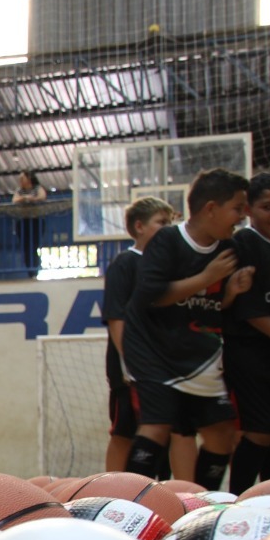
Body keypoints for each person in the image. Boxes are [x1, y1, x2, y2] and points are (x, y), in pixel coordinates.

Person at [121, 168, 253, 490]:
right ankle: (129, 499)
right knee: (158, 425)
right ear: (211, 208)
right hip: (152, 347)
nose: (242, 216)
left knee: (222, 432)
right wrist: (206, 278)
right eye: (237, 208)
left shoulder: (230, 248)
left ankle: (203, 500)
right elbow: (153, 297)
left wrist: (231, 292)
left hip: (199, 352)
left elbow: (211, 304)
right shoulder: (168, 240)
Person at [224, 173, 270, 492]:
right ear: (249, 210)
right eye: (268, 206)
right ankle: (237, 498)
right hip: (247, 351)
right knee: (259, 429)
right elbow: (249, 309)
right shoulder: (243, 243)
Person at [102, 197, 173, 473]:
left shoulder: (169, 267)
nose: (168, 228)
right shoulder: (125, 263)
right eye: (161, 222)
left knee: (165, 430)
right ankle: (112, 487)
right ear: (139, 226)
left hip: (164, 366)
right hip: (131, 369)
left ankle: (161, 485)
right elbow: (116, 318)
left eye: (171, 223)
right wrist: (130, 362)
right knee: (124, 431)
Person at [11, 169, 48, 276]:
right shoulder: (19, 190)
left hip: (36, 221)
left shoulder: (37, 188)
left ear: (29, 178)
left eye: (22, 178)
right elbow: (14, 200)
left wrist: (31, 198)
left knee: (33, 245)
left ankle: (35, 268)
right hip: (23, 222)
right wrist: (24, 198)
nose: (20, 180)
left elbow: (42, 196)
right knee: (26, 247)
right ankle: (30, 270)